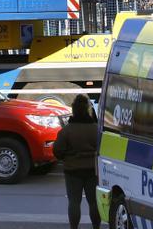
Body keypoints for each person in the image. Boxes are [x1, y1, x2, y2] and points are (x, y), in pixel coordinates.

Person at [53, 94, 101, 229]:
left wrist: (67, 158)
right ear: (87, 110)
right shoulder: (96, 129)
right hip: (92, 170)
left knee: (74, 202)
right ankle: (96, 227)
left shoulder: (66, 131)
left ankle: (74, 227)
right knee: (93, 202)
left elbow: (57, 151)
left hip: (72, 171)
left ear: (73, 110)